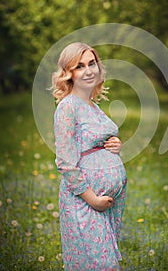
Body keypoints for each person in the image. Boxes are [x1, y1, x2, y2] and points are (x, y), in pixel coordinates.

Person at [52, 42, 127, 270]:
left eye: (92, 63)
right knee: (101, 265)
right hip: (84, 201)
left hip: (106, 203)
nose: (89, 70)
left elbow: (93, 141)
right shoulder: (68, 107)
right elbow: (65, 163)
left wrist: (114, 144)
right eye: (80, 66)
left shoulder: (92, 105)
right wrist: (93, 199)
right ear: (69, 73)